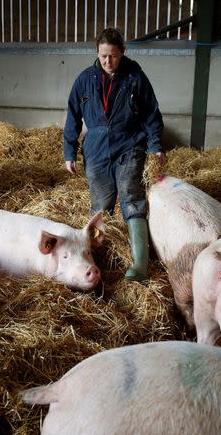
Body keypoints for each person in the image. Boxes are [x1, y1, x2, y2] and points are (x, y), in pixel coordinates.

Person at [63, 27, 167, 282]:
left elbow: (152, 115)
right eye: (103, 56)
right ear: (97, 54)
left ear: (123, 52)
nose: (108, 62)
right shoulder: (85, 79)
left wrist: (155, 146)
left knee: (131, 196)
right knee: (100, 206)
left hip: (129, 143)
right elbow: (72, 116)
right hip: (96, 148)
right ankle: (100, 259)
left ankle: (140, 264)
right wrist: (70, 151)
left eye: (113, 56)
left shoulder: (135, 77)